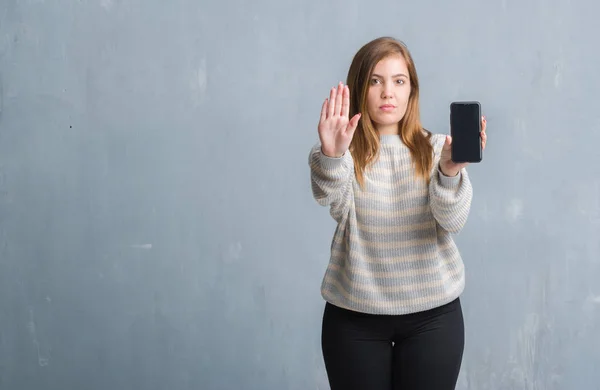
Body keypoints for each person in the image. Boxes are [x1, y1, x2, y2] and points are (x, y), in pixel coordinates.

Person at [308, 36, 488, 390]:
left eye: (399, 81)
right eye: (376, 80)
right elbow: (329, 198)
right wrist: (332, 156)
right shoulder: (339, 152)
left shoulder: (439, 150)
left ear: (411, 91)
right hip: (354, 319)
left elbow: (452, 220)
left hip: (433, 319)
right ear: (361, 88)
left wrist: (449, 172)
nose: (388, 92)